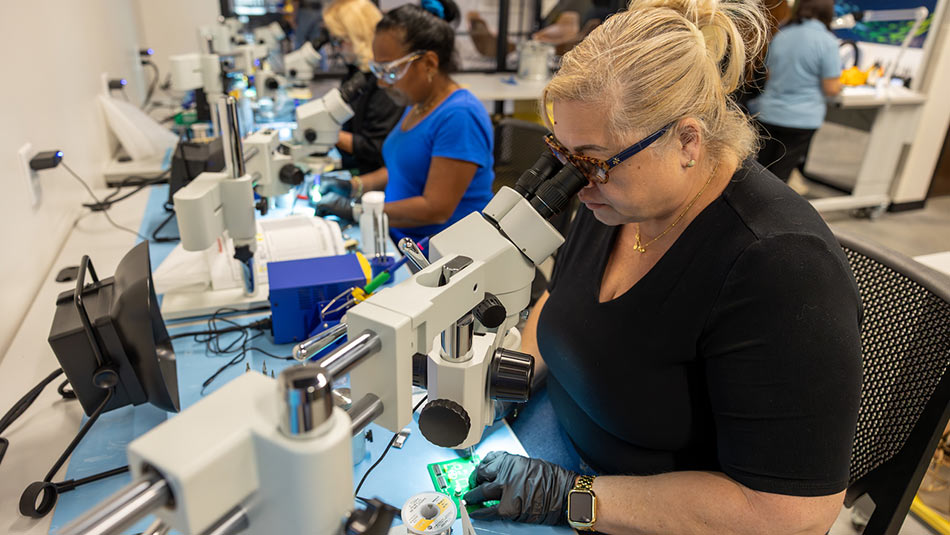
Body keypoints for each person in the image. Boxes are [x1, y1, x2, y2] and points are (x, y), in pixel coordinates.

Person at [461, 0, 863, 533]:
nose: (578, 181)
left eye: (593, 162)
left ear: (688, 140)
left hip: (640, 508)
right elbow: (560, 302)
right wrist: (509, 379)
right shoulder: (618, 198)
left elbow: (791, 512)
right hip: (547, 444)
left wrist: (571, 499)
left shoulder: (780, 266)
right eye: (565, 156)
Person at [316, 0, 495, 244]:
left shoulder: (460, 116)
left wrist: (359, 212)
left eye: (390, 71)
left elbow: (436, 208)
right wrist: (354, 186)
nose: (382, 83)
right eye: (377, 71)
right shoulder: (417, 103)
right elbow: (405, 169)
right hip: (400, 236)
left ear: (429, 64)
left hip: (441, 253)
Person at [750, 0, 842, 182]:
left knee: (759, 172)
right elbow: (831, 88)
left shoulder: (782, 34)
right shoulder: (827, 42)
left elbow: (768, 75)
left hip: (768, 113)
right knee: (780, 179)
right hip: (801, 120)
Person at [323, 0, 404, 175]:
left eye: (339, 41)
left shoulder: (382, 81)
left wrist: (324, 132)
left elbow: (376, 147)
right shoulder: (356, 72)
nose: (336, 49)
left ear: (357, 37)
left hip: (373, 175)